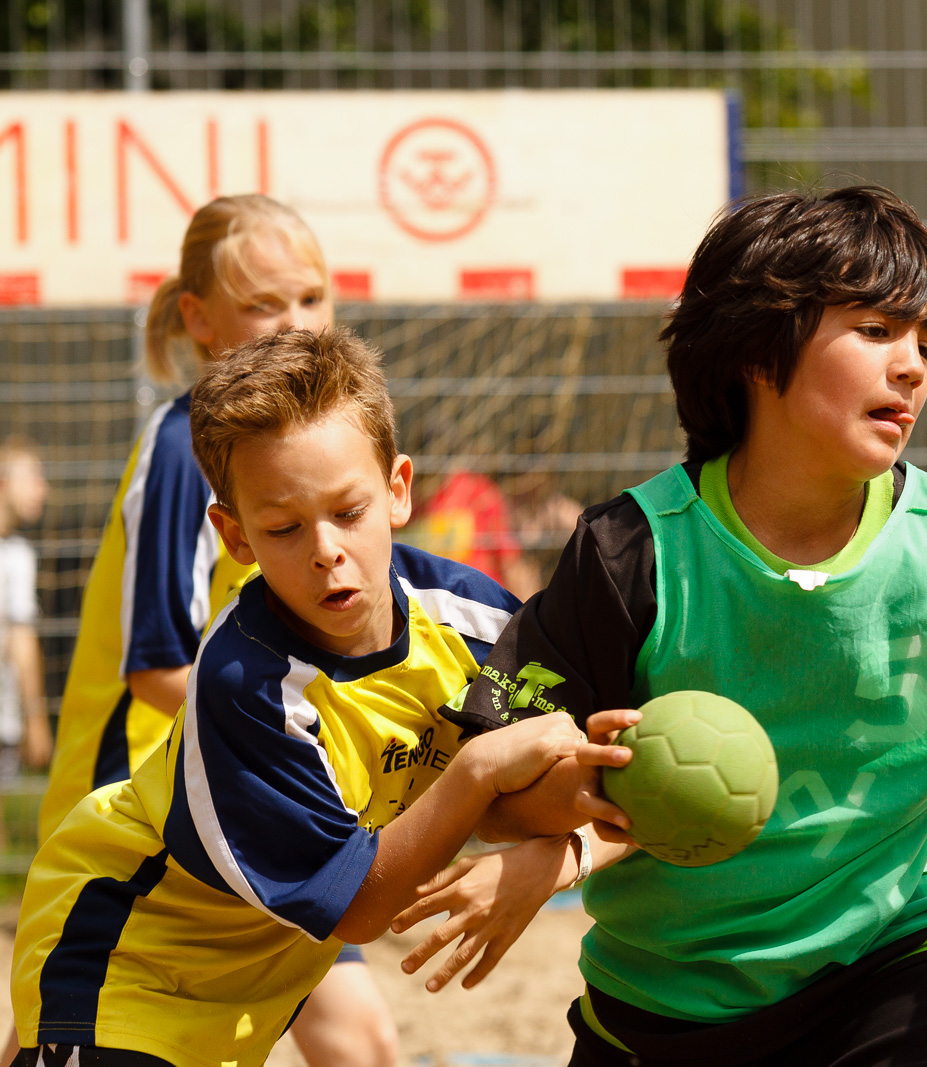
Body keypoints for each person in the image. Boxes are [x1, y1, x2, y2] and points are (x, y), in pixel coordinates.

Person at [391, 187, 927, 1067]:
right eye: (875, 331)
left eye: (926, 344)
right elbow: (506, 766)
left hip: (897, 963)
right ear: (760, 347)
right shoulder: (630, 551)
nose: (912, 366)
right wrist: (572, 803)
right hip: (667, 1002)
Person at [9, 329, 607, 1067]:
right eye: (285, 527)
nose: (325, 548)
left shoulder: (474, 621)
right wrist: (478, 770)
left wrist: (557, 854)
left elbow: (574, 783)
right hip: (126, 965)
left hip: (257, 986)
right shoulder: (246, 678)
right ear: (235, 536)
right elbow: (361, 906)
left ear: (397, 490)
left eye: (348, 511)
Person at [29, 195, 397, 1067]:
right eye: (265, 304)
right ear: (199, 320)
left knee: (365, 1041)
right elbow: (155, 665)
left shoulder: (308, 453)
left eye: (312, 298)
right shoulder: (181, 447)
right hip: (141, 811)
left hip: (249, 789)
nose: (296, 323)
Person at [0, 440, 52, 783]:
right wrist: (36, 717)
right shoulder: (15, 557)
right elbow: (20, 638)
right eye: (32, 476)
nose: (43, 489)